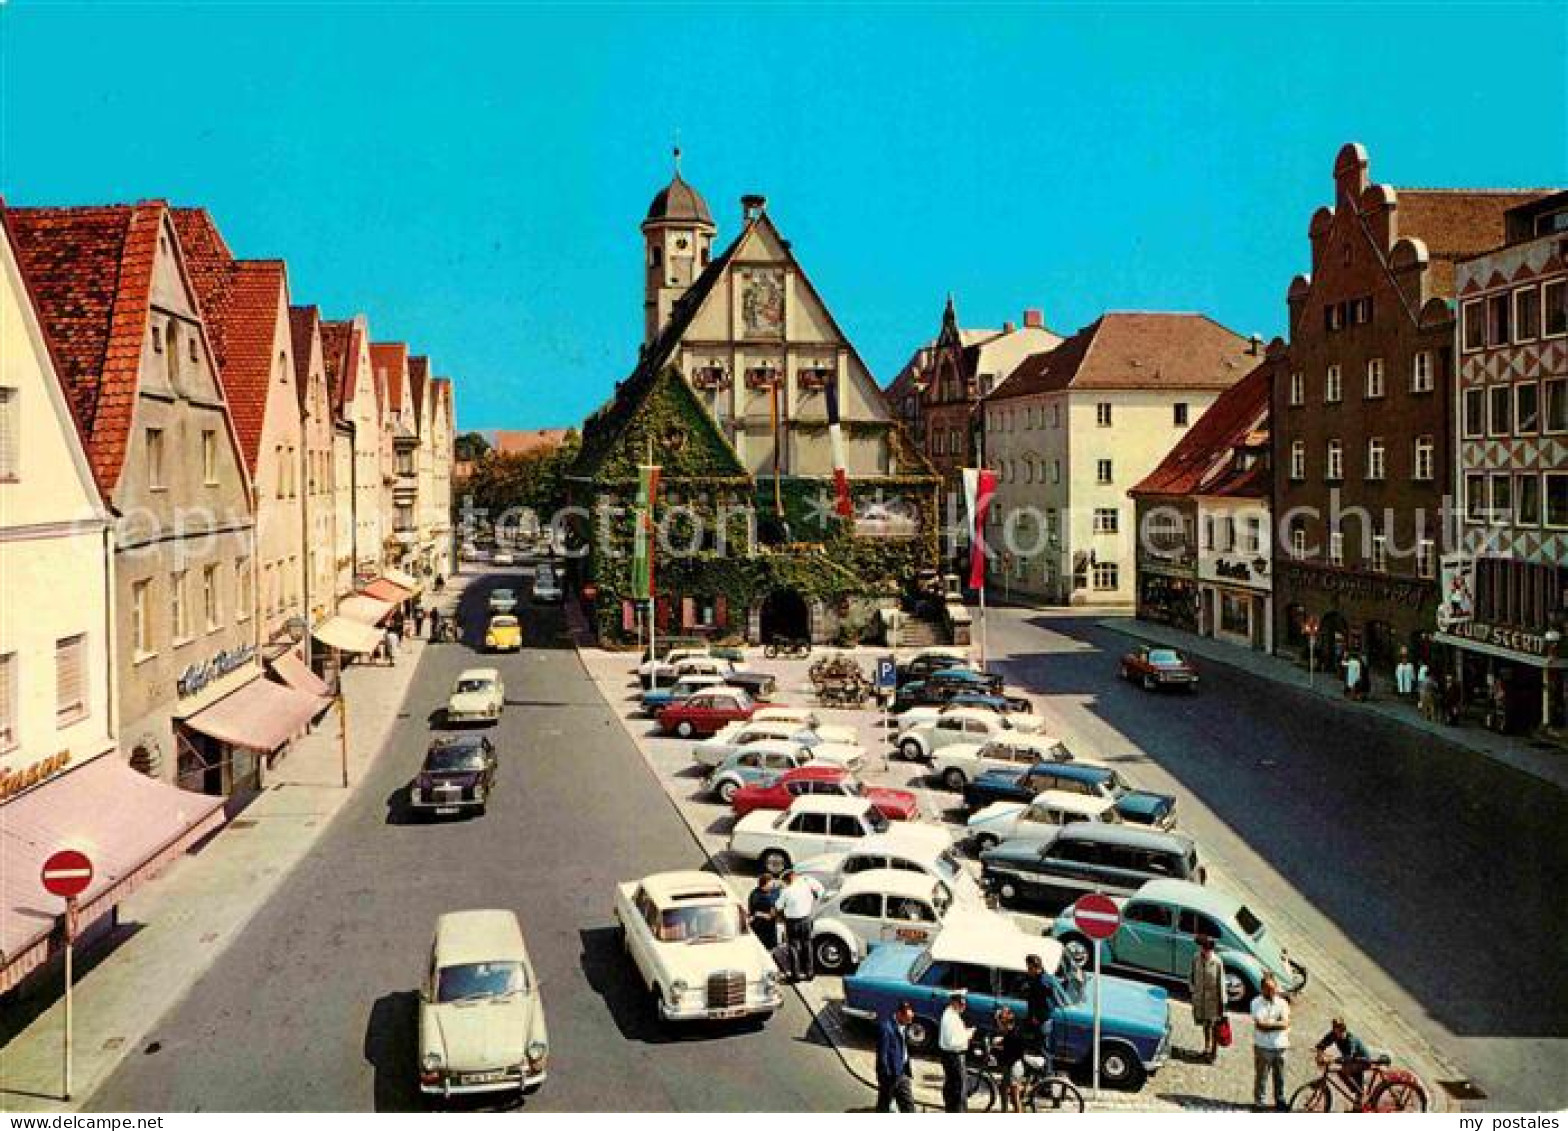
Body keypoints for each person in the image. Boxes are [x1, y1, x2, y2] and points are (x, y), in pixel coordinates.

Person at [1250, 973, 1291, 1111]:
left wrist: (1269, 1025)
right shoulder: (1255, 1003)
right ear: (1262, 989)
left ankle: (1279, 1100)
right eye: (1268, 989)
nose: (1272, 992)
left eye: (1273, 989)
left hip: (1280, 1047)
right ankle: (1259, 1102)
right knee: (1261, 1077)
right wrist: (1276, 1023)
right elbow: (1260, 1025)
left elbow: (1285, 1023)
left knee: (1280, 1077)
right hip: (1263, 1047)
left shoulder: (1283, 1003)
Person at [775, 870, 822, 982]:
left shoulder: (786, 891)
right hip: (806, 919)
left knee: (793, 947)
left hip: (792, 922)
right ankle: (809, 973)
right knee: (807, 946)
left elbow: (778, 906)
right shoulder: (805, 886)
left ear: (787, 878)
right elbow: (817, 894)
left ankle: (795, 976)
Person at [1314, 1017, 1372, 1099]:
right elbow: (1324, 1042)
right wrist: (1319, 1052)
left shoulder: (1350, 1040)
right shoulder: (1334, 1034)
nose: (1338, 1034)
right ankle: (1358, 1092)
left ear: (1344, 1030)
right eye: (1336, 1030)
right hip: (1353, 1060)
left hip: (1362, 1061)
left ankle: (1360, 1093)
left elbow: (1349, 1057)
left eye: (1340, 1031)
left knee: (1344, 1070)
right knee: (1343, 1072)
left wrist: (1332, 1060)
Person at [1189, 934, 1226, 1061]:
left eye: (1204, 948)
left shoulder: (1217, 962)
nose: (1202, 950)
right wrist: (1193, 991)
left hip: (1214, 1002)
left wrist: (1223, 1004)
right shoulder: (1196, 958)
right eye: (1201, 948)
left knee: (1215, 1027)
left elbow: (1221, 984)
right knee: (1205, 1025)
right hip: (1200, 999)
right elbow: (1192, 976)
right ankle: (1206, 1048)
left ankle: (1214, 1053)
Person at [875, 1001, 916, 1113]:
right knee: (884, 1106)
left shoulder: (903, 1025)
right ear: (899, 1014)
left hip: (902, 1073)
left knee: (909, 1106)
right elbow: (882, 1055)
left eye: (911, 1018)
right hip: (890, 1077)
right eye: (907, 1018)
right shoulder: (886, 1029)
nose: (909, 1022)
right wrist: (886, 1076)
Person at [938, 991, 973, 1113]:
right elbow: (953, 1042)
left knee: (954, 1088)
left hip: (951, 1056)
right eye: (961, 1003)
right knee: (958, 1091)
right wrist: (968, 1034)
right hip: (954, 1057)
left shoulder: (952, 1014)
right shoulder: (950, 1018)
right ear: (953, 1002)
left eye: (964, 1003)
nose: (964, 1006)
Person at [993, 1006, 1028, 1113]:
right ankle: (1004, 1111)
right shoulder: (1012, 1029)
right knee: (1003, 1088)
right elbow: (1004, 1034)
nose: (1000, 1024)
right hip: (1011, 1065)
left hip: (1014, 1067)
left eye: (1002, 1019)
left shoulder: (1012, 1034)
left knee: (1014, 1096)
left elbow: (1008, 1047)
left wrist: (999, 1044)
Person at [1021, 953, 1054, 1041]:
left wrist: (1035, 1017)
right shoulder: (1039, 977)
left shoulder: (1042, 984)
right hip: (1039, 1018)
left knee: (1041, 1043)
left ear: (1036, 968)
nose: (1028, 970)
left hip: (1041, 1019)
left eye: (1030, 968)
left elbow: (1042, 1002)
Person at [748, 874, 779, 952]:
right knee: (761, 947)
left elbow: (779, 901)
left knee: (773, 946)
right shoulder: (755, 895)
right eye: (771, 883)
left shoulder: (774, 891)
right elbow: (753, 912)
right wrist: (764, 915)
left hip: (771, 925)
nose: (773, 885)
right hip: (760, 926)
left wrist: (775, 910)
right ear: (765, 884)